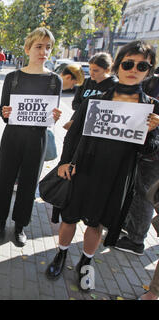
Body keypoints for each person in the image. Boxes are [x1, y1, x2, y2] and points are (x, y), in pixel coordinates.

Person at [45, 40, 159, 292]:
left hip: (115, 177)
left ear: (148, 71)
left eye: (142, 66)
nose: (134, 69)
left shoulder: (150, 108)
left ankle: (86, 261)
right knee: (69, 217)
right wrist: (64, 162)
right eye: (128, 63)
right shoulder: (97, 99)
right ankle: (61, 254)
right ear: (118, 66)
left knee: (95, 223)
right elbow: (73, 135)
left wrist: (152, 131)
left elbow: (148, 151)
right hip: (83, 169)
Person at [0, 27, 62, 247]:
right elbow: (3, 108)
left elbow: (51, 114)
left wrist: (55, 117)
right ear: (28, 48)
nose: (44, 51)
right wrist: (5, 112)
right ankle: (0, 222)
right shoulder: (13, 78)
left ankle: (20, 226)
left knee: (29, 184)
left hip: (37, 138)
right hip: (12, 136)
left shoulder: (54, 81)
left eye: (48, 47)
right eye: (39, 46)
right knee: (4, 179)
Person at [115, 69, 159, 255]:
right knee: (137, 190)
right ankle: (129, 226)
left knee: (144, 194)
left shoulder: (152, 90)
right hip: (143, 151)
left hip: (153, 155)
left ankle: (136, 239)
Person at [64, 53, 118, 130]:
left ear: (107, 70)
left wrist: (84, 109)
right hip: (79, 125)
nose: (91, 73)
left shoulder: (114, 85)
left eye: (95, 70)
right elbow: (75, 104)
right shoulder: (85, 82)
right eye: (90, 69)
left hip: (98, 127)